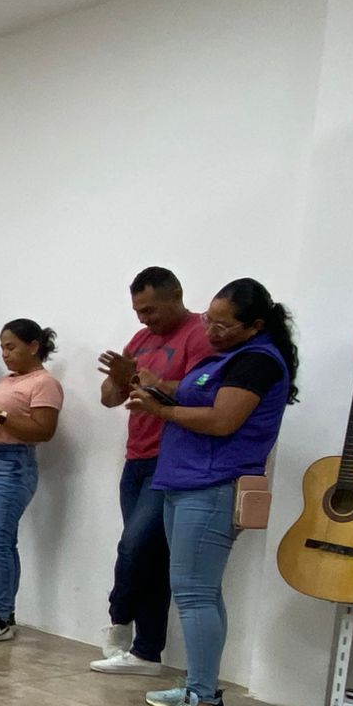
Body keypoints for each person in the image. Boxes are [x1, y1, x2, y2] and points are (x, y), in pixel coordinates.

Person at [136, 279, 297, 706]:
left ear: (255, 325)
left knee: (194, 595)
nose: (210, 330)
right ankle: (201, 686)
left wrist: (161, 412)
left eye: (222, 325)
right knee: (201, 592)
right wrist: (157, 389)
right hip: (185, 482)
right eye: (208, 319)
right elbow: (196, 398)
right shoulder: (225, 358)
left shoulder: (257, 361)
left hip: (213, 487)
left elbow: (223, 420)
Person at [90, 267, 213, 676]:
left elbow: (203, 392)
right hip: (136, 458)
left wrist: (153, 382)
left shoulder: (199, 334)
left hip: (172, 457)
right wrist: (119, 380)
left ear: (176, 295)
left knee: (134, 545)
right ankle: (146, 653)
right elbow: (110, 399)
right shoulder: (140, 340)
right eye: (138, 311)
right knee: (151, 558)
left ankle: (119, 619)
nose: (144, 319)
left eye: (150, 310)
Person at [0, 319, 63, 644]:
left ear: (34, 347)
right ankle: (1, 609)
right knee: (2, 541)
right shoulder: (9, 380)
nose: (4, 354)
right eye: (2, 347)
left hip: (14, 465)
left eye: (11, 347)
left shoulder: (44, 383)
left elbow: (44, 431)